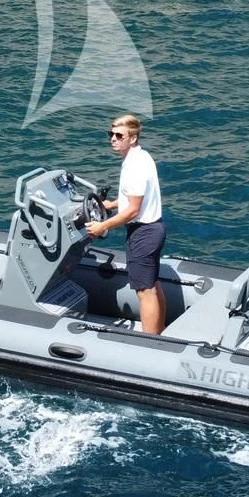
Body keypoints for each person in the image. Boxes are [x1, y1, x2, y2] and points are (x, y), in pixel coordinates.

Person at [85, 114, 165, 334]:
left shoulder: (134, 167)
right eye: (111, 134)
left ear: (133, 137)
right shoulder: (142, 157)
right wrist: (112, 204)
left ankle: (149, 343)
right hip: (154, 229)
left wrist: (103, 226)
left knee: (144, 292)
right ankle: (158, 334)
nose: (113, 139)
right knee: (153, 285)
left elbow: (133, 210)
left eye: (119, 135)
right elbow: (135, 197)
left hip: (143, 232)